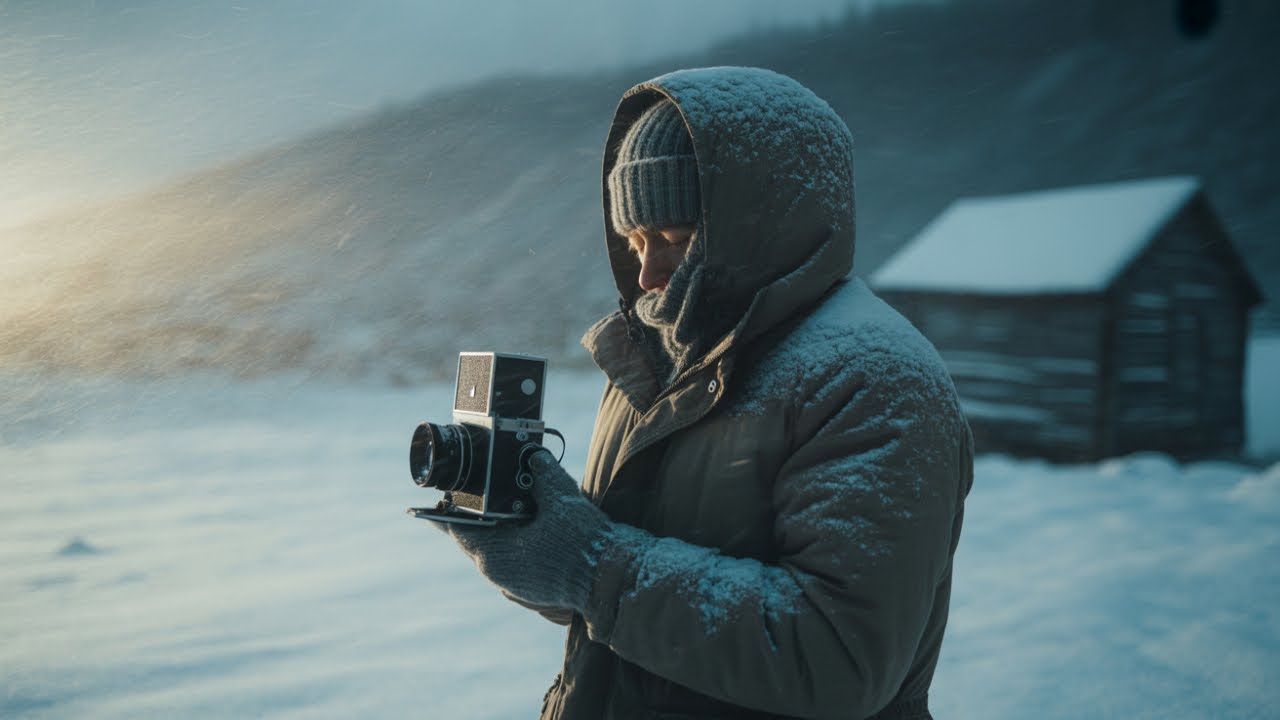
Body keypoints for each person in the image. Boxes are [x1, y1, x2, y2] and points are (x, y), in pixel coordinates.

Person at [443, 66, 974, 720]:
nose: (645, 274)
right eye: (635, 241)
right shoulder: (658, 357)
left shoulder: (870, 377)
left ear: (762, 221)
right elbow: (621, 598)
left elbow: (840, 660)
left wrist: (591, 567)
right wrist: (538, 548)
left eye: (673, 239)